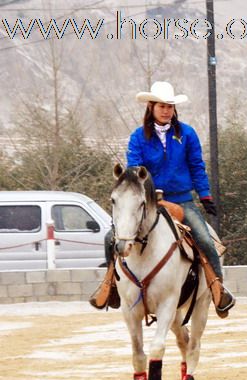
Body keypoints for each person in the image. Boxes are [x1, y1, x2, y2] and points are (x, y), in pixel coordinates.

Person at [89, 81, 235, 318]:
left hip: (182, 200)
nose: (166, 110)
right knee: (110, 238)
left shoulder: (187, 134)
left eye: (170, 106)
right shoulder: (138, 137)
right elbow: (134, 168)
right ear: (151, 107)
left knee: (205, 240)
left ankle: (218, 288)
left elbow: (197, 165)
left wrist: (205, 195)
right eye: (161, 106)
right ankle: (110, 285)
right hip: (149, 203)